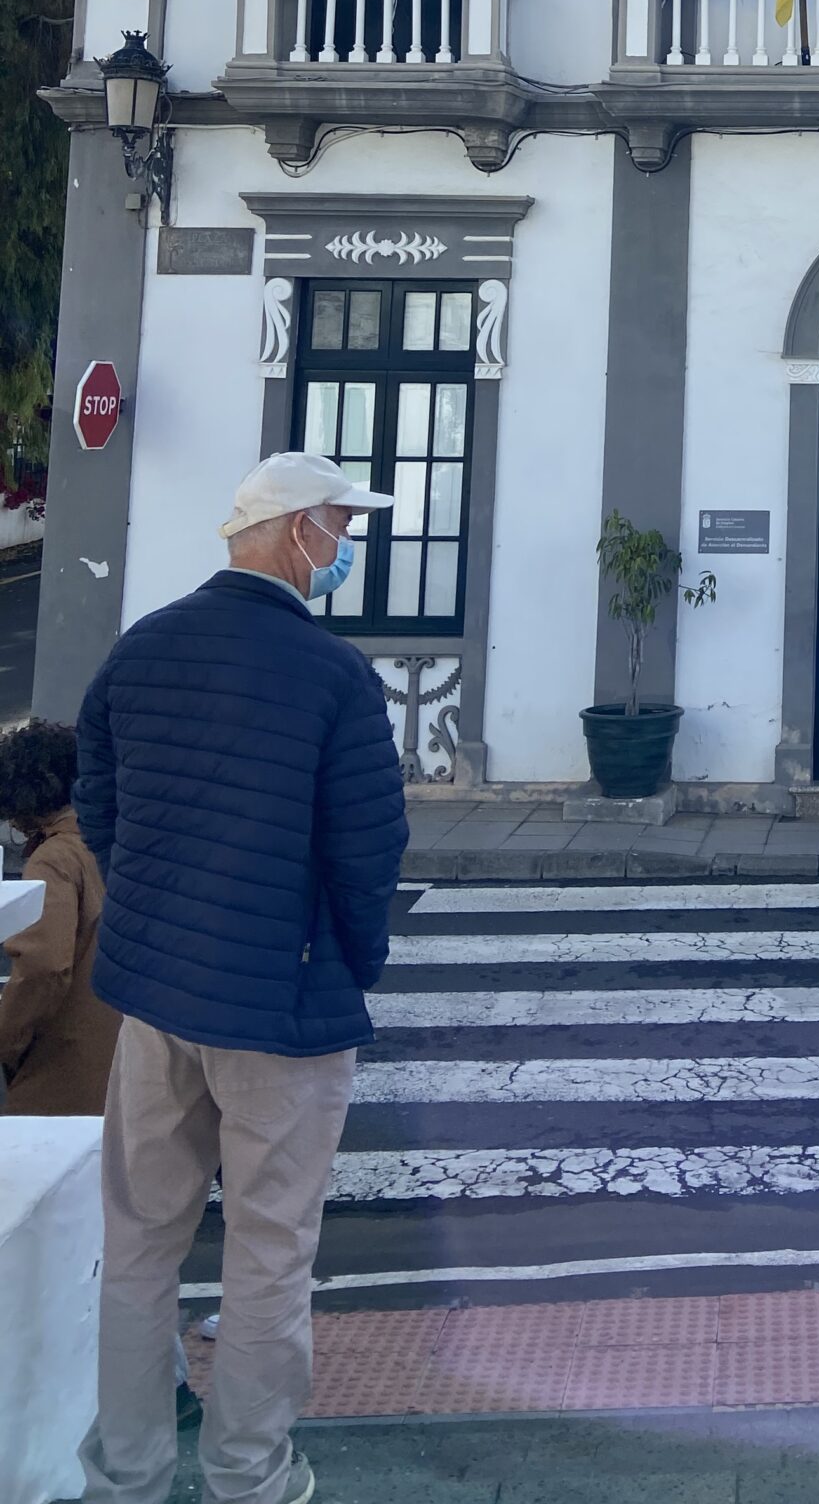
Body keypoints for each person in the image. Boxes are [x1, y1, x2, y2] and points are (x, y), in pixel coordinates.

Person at [74, 453, 408, 1504]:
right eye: (341, 524)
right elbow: (368, 853)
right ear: (299, 529)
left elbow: (99, 803)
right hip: (282, 1003)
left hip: (156, 997)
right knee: (268, 1251)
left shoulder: (142, 646)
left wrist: (150, 913)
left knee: (138, 1244)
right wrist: (354, 963)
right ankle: (249, 1475)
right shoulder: (333, 673)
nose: (345, 545)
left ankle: (126, 1474)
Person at [0, 716, 120, 1114]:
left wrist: (8, 1036)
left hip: (63, 1068)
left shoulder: (54, 858)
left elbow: (44, 965)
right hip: (119, 1057)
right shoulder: (111, 844)